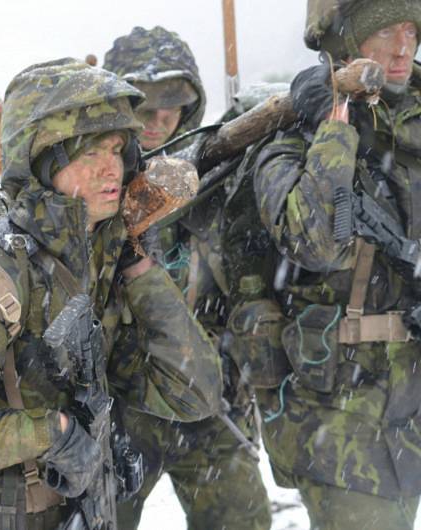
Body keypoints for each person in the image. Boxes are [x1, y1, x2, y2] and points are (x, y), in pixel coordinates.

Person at [0, 57, 223, 529]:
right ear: (43, 165)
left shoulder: (101, 267)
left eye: (118, 149)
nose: (112, 169)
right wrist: (50, 433)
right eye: (89, 154)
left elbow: (194, 393)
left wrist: (140, 269)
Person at [253, 1, 421, 528]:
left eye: (411, 29)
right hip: (342, 419)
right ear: (345, 42)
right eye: (385, 30)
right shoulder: (289, 146)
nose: (402, 47)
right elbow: (317, 242)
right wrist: (334, 125)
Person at [103, 27, 271, 530]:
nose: (160, 120)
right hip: (123, 405)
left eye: (172, 106)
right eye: (146, 106)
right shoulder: (90, 183)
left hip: (207, 400)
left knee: (242, 521)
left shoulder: (214, 174)